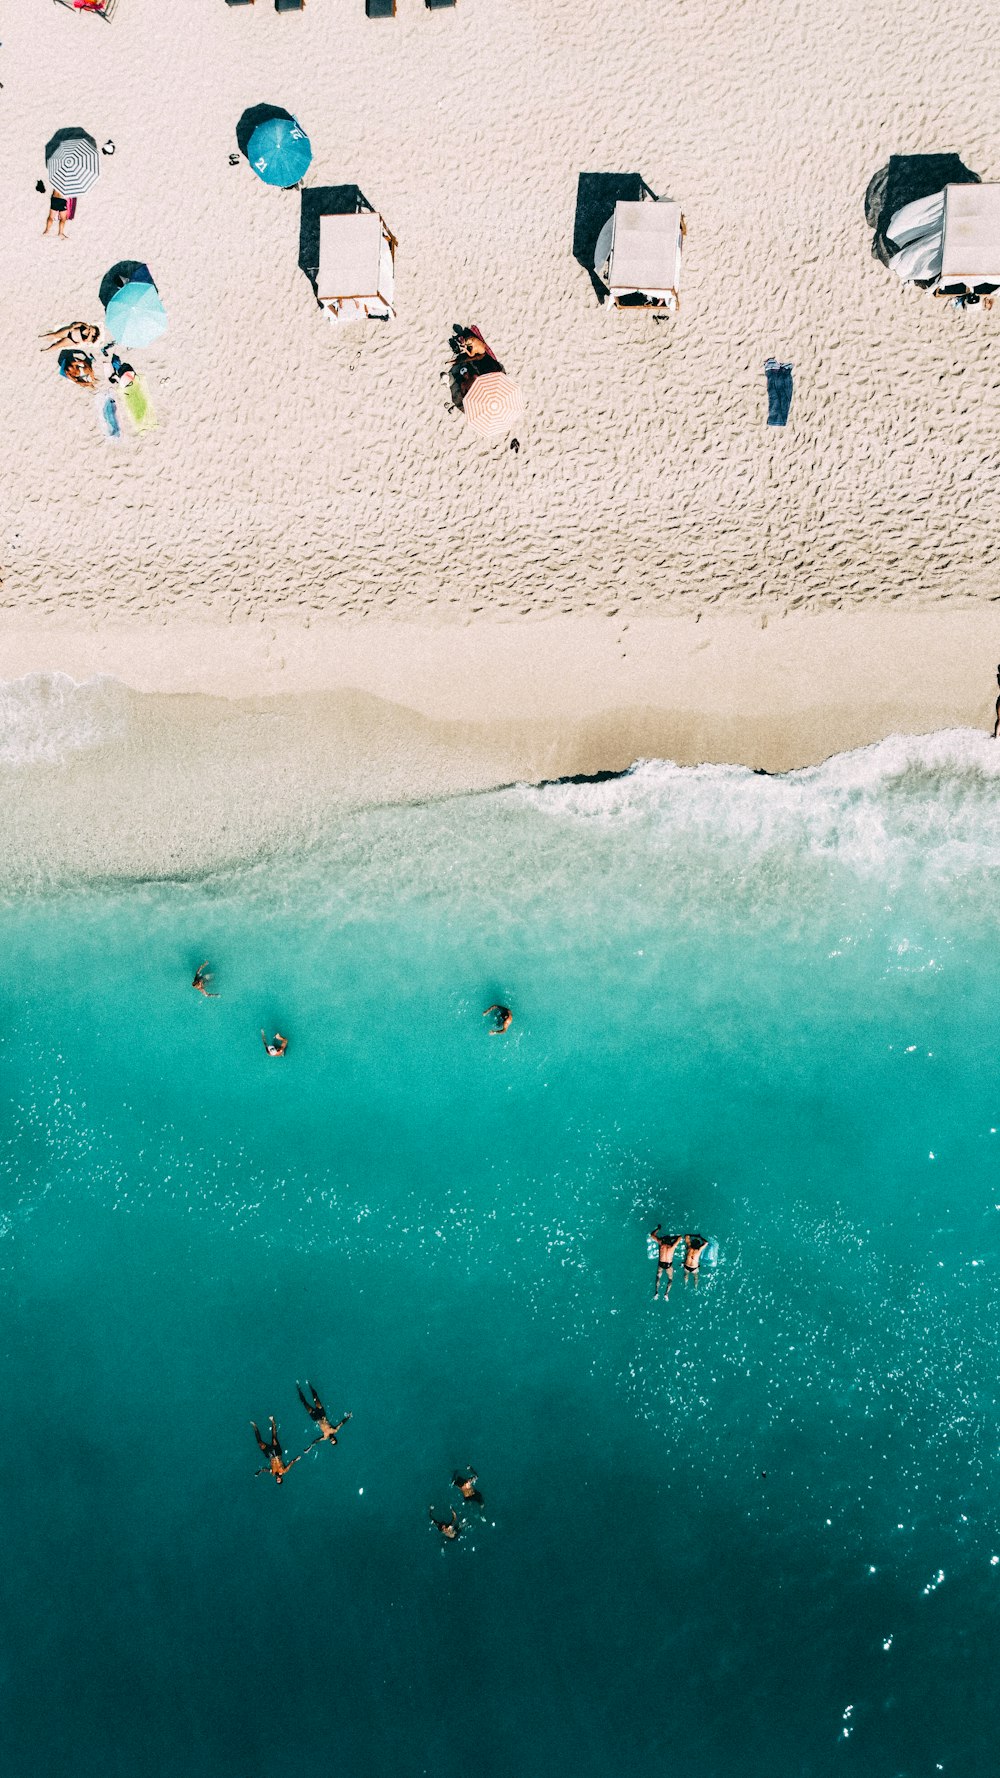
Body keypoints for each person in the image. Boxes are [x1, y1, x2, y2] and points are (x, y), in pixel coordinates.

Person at [251, 1417, 310, 1485]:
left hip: (270, 1455)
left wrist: (259, 1472)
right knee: (274, 1439)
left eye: (277, 1480)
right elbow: (291, 1463)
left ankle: (254, 1426)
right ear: (281, 1479)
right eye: (279, 1480)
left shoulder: (273, 1473)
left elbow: (265, 1469)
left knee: (260, 1443)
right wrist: (296, 1459)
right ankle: (273, 1421)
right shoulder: (284, 1471)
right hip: (277, 1453)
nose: (278, 1479)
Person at [649, 1225, 682, 1299]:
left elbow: (652, 1235)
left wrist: (658, 1229)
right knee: (670, 1279)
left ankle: (656, 1292)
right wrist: (673, 1238)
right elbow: (680, 1237)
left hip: (661, 1263)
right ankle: (666, 1294)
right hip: (668, 1265)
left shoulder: (661, 1244)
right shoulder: (672, 1246)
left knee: (658, 1277)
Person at [993, 665, 1000, 738]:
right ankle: (997, 736)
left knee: (999, 719)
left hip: (999, 699)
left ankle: (996, 736)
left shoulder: (998, 677)